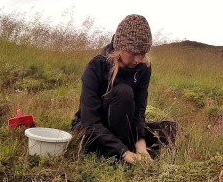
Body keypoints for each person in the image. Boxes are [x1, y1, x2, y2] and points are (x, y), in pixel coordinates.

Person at [72, 14, 176, 164]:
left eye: (143, 53)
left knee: (169, 129)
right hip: (92, 129)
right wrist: (123, 152)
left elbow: (139, 113)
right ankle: (119, 152)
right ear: (119, 47)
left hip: (124, 126)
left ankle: (131, 149)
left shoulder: (143, 68)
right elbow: (90, 120)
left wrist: (141, 148)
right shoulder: (96, 66)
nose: (139, 59)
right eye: (133, 53)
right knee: (124, 92)